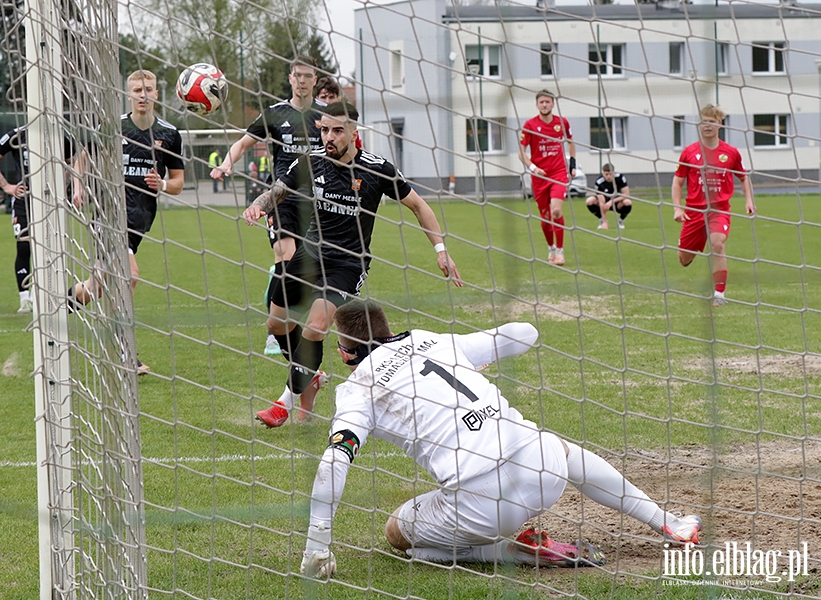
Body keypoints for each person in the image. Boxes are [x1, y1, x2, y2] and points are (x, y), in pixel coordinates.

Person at [299, 299, 704, 578]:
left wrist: (318, 542)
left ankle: (512, 552)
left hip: (483, 505)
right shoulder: (435, 340)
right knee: (556, 445)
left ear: (345, 352)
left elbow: (335, 460)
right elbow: (525, 332)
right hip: (544, 473)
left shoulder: (356, 390)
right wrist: (485, 352)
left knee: (396, 534)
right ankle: (670, 523)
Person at [242, 101, 463, 428]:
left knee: (315, 327)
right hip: (307, 257)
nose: (329, 137)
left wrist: (441, 249)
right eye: (325, 130)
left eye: (337, 131)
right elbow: (277, 191)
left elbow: (418, 205)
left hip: (347, 264)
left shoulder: (378, 169)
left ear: (354, 133)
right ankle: (310, 376)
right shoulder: (311, 160)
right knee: (276, 326)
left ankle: (282, 405)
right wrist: (258, 206)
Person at [68, 69, 185, 375]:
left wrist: (161, 184)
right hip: (108, 215)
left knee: (97, 287)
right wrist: (79, 186)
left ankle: (67, 300)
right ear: (128, 93)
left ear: (156, 94)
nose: (142, 94)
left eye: (147, 89)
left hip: (140, 220)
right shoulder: (113, 126)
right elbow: (82, 156)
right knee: (129, 277)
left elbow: (178, 183)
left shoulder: (169, 134)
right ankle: (123, 349)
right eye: (136, 89)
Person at [211, 56, 325, 358]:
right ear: (290, 78)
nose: (301, 80)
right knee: (286, 256)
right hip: (281, 197)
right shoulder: (275, 113)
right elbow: (244, 143)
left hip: (319, 200)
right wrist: (226, 162)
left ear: (315, 79)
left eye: (307, 76)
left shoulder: (326, 116)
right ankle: (279, 330)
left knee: (308, 267)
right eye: (297, 75)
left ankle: (283, 306)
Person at [0, 125, 73, 314]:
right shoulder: (16, 135)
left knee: (50, 247)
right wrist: (6, 186)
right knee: (24, 246)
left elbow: (73, 162)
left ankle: (46, 295)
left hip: (49, 200)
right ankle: (25, 299)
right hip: (24, 200)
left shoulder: (57, 133)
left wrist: (66, 183)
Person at [671, 105, 755, 307]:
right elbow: (677, 182)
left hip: (719, 210)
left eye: (711, 121)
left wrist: (749, 200)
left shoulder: (731, 153)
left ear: (720, 124)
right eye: (703, 121)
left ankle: (719, 294)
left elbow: (744, 178)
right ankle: (693, 246)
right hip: (694, 212)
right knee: (683, 259)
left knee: (718, 244)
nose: (707, 125)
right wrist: (677, 208)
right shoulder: (689, 153)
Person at [518, 89, 577, 267]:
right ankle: (551, 248)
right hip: (539, 177)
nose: (545, 105)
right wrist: (534, 168)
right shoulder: (530, 125)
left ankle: (560, 251)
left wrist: (572, 164)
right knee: (544, 217)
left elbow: (571, 142)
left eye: (548, 102)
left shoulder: (562, 122)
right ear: (537, 105)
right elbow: (521, 153)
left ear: (553, 104)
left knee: (556, 211)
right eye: (542, 102)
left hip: (559, 173)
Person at [586, 164, 632, 230]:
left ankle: (620, 221)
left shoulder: (620, 178)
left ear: (614, 172)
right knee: (589, 201)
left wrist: (611, 201)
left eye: (610, 174)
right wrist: (605, 222)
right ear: (603, 173)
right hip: (605, 202)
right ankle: (602, 220)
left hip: (617, 201)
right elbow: (601, 202)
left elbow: (626, 194)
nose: (609, 176)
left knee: (628, 202)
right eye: (606, 174)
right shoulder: (599, 182)